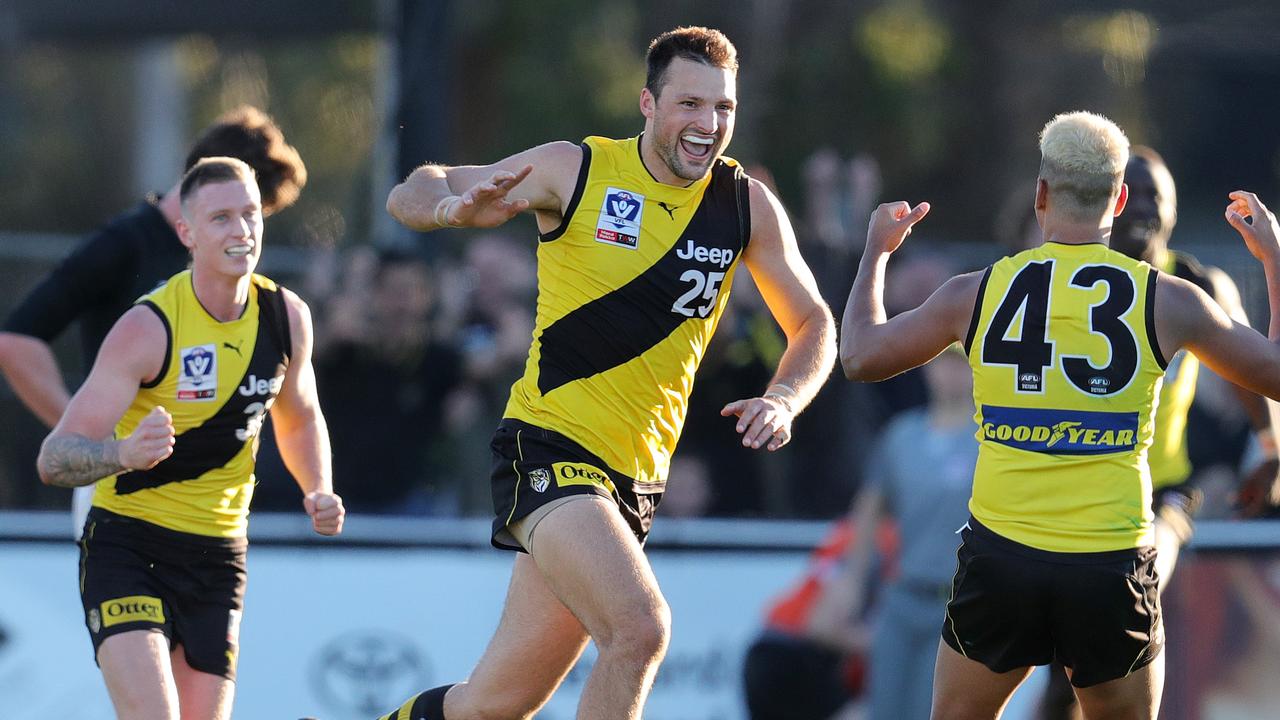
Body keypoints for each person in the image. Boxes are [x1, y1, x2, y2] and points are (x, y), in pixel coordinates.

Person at [377, 25, 835, 720]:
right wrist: (448, 208)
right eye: (689, 105)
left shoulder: (744, 207)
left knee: (492, 705)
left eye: (723, 110)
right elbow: (414, 189)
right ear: (648, 105)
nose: (708, 126)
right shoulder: (578, 169)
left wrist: (784, 398)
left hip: (632, 482)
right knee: (640, 629)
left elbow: (814, 325)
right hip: (551, 449)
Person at [840, 110, 1280, 720]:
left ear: (1041, 195)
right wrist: (1273, 259)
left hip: (1002, 556)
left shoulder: (977, 292)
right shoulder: (1168, 298)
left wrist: (876, 254)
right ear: (1120, 199)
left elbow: (860, 357)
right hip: (1110, 560)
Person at [35, 157, 344, 720]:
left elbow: (298, 416)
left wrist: (317, 487)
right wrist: (122, 454)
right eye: (221, 218)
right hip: (128, 545)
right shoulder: (147, 328)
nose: (241, 231)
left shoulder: (286, 317)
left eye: (250, 214)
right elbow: (54, 459)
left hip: (219, 557)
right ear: (188, 233)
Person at [1037, 146, 1280, 720]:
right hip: (1069, 491)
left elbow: (1252, 373)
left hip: (1162, 490)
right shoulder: (1060, 274)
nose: (1145, 206)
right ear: (1112, 204)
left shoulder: (1196, 286)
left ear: (1174, 214)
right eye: (1134, 193)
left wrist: (1269, 449)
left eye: (1158, 196)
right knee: (1061, 680)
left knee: (1137, 576)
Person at [0, 105, 306, 534]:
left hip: (200, 502)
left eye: (252, 213)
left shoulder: (229, 271)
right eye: (227, 211)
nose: (242, 230)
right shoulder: (122, 245)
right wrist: (96, 444)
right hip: (118, 493)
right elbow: (16, 341)